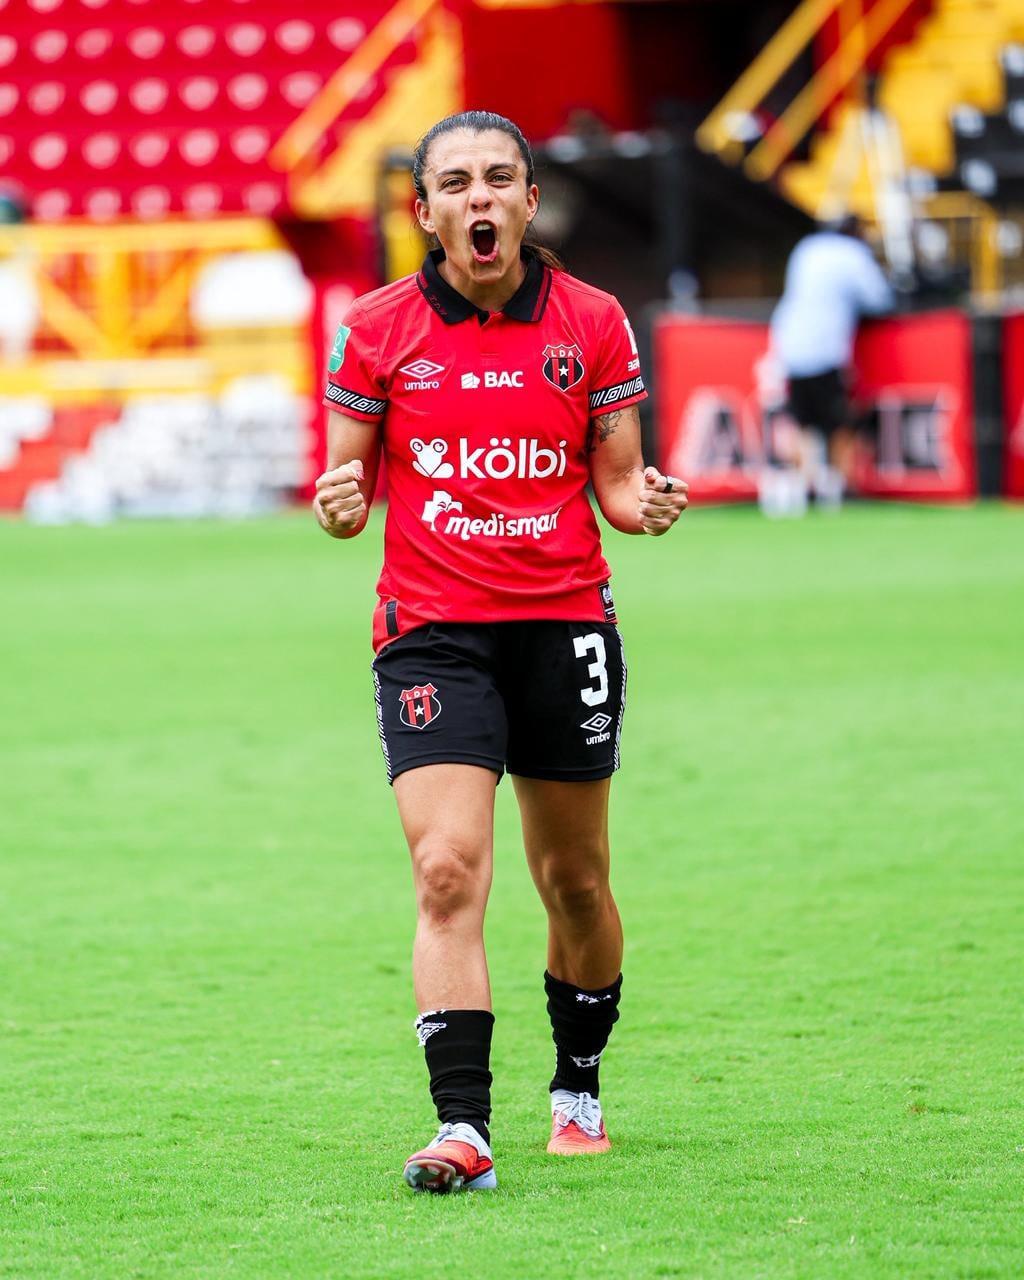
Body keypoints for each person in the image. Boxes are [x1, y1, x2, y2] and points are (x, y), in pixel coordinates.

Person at [312, 111, 688, 1194]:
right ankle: (463, 1127)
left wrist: (644, 500)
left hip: (563, 624)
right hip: (431, 634)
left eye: (499, 180)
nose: (479, 199)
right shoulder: (376, 328)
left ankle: (577, 1080)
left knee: (573, 879)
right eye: (456, 184)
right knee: (445, 869)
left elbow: (617, 485)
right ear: (423, 211)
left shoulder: (595, 321)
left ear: (529, 202)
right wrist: (340, 503)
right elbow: (348, 495)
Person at [768, 214, 893, 509]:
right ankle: (838, 488)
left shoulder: (806, 247)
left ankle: (806, 487)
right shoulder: (852, 253)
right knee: (838, 422)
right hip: (824, 347)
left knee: (803, 421)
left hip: (789, 343)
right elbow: (879, 298)